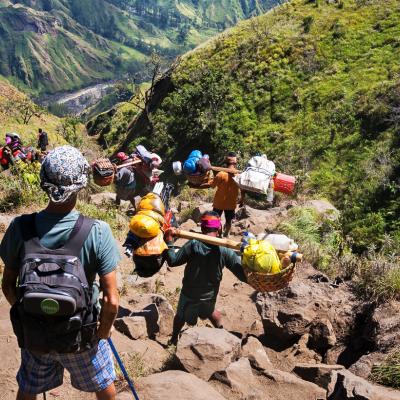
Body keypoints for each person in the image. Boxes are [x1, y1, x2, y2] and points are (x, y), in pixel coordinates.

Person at [1, 145, 120, 400]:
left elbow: (8, 285)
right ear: (81, 184)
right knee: (103, 383)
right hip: (81, 335)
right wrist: (102, 333)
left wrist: (32, 313)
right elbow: (111, 301)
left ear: (44, 182)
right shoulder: (97, 231)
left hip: (35, 333)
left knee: (29, 386)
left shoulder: (19, 227)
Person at [163, 211, 247, 345]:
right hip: (210, 296)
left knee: (180, 316)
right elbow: (243, 275)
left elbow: (173, 261)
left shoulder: (193, 244)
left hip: (189, 294)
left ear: (202, 228)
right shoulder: (224, 249)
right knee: (210, 311)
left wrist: (169, 242)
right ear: (219, 228)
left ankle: (173, 339)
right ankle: (222, 332)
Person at [209, 152, 244, 237]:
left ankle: (218, 233)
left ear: (226, 162)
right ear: (235, 163)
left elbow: (212, 186)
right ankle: (226, 234)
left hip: (218, 203)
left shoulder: (221, 174)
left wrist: (210, 178)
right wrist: (242, 199)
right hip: (231, 204)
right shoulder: (239, 175)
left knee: (215, 219)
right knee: (229, 221)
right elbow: (243, 190)